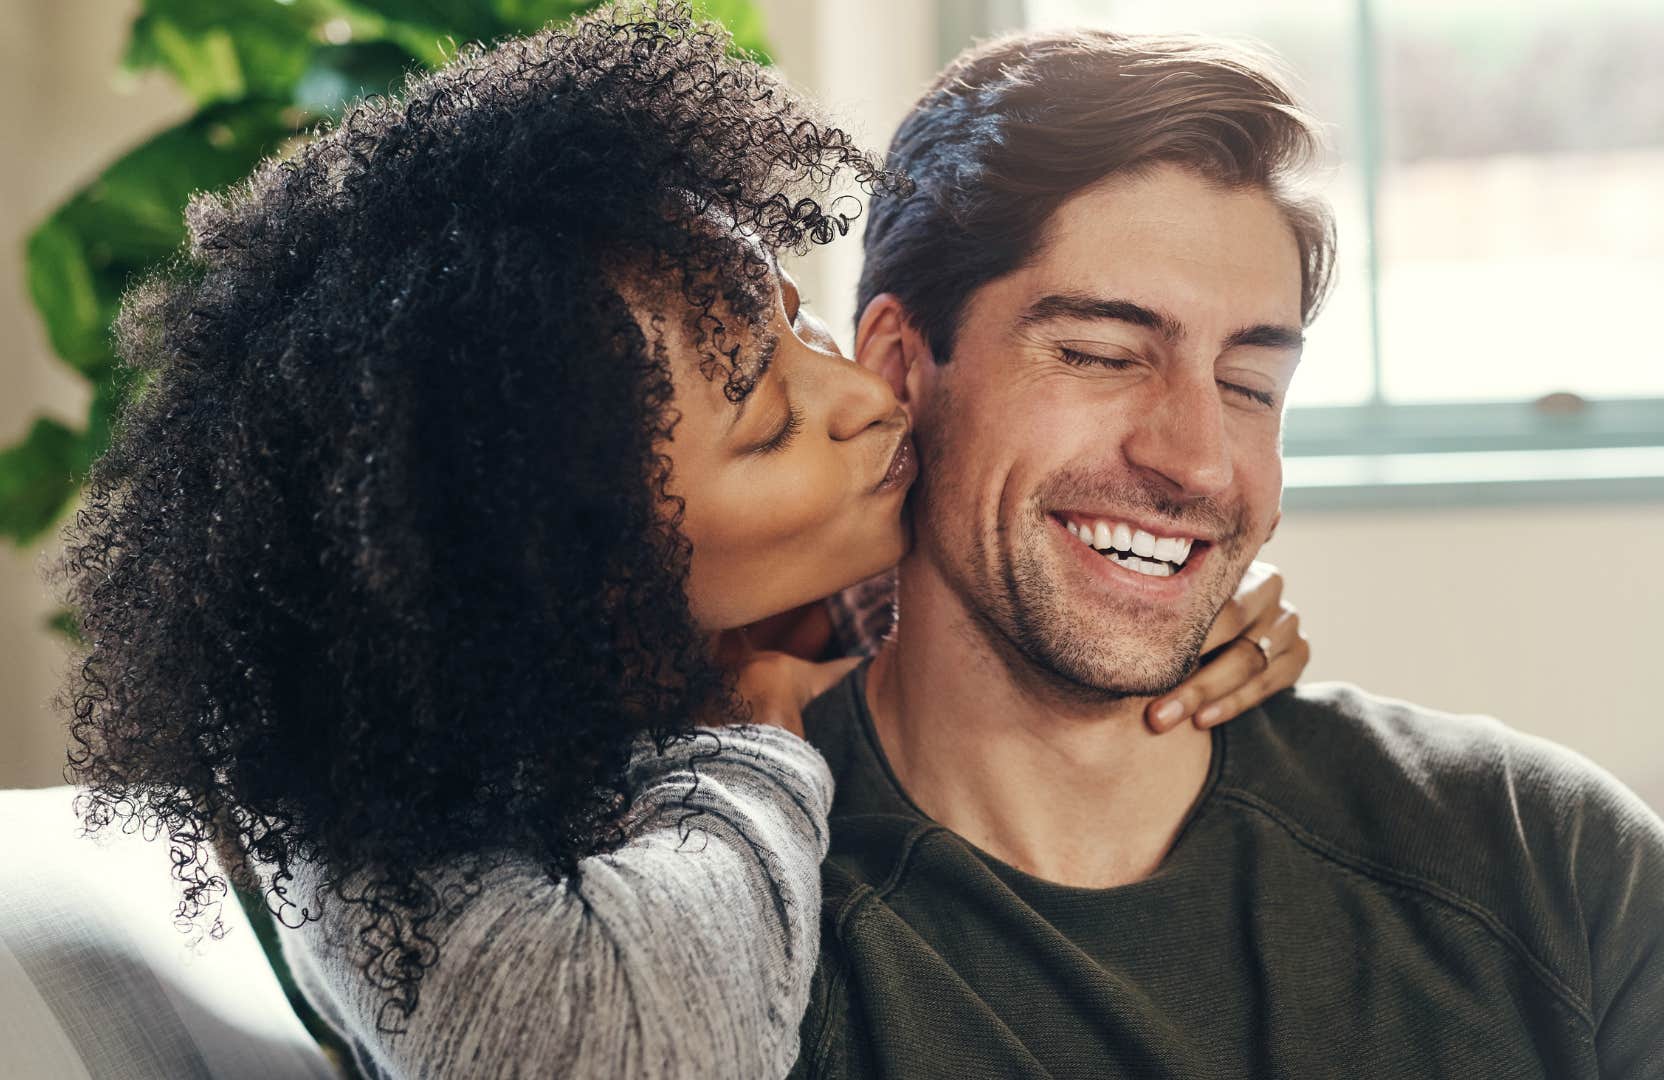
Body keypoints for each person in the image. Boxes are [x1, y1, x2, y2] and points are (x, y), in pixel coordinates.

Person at [54, 6, 1309, 1079]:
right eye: (770, 427)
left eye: (798, 326)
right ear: (578, 577)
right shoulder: (389, 811)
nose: (866, 398)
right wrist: (755, 722)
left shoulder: (727, 603)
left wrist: (1139, 581)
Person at [788, 27, 1664, 1079]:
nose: (1200, 464)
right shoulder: (751, 915)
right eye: (1104, 353)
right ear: (898, 364)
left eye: (1251, 386)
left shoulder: (1541, 851)